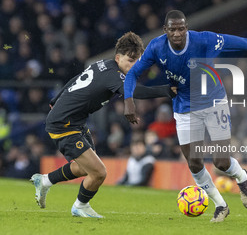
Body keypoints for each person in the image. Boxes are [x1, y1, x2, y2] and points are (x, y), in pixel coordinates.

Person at [124, 10, 247, 222]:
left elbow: (239, 42)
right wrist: (129, 101)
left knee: (220, 161)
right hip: (184, 107)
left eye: (181, 28)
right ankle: (220, 205)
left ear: (186, 28)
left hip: (214, 103)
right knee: (194, 162)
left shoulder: (203, 40)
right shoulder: (157, 46)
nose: (177, 33)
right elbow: (134, 73)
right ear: (165, 30)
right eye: (172, 29)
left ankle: (243, 177)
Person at [30, 32, 175, 218]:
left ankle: (45, 181)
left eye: (137, 62)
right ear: (118, 57)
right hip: (63, 124)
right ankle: (80, 206)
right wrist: (166, 90)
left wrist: (56, 98)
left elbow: (76, 79)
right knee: (99, 172)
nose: (134, 66)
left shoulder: (102, 64)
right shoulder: (114, 75)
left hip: (77, 121)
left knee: (85, 168)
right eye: (130, 60)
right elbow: (135, 91)